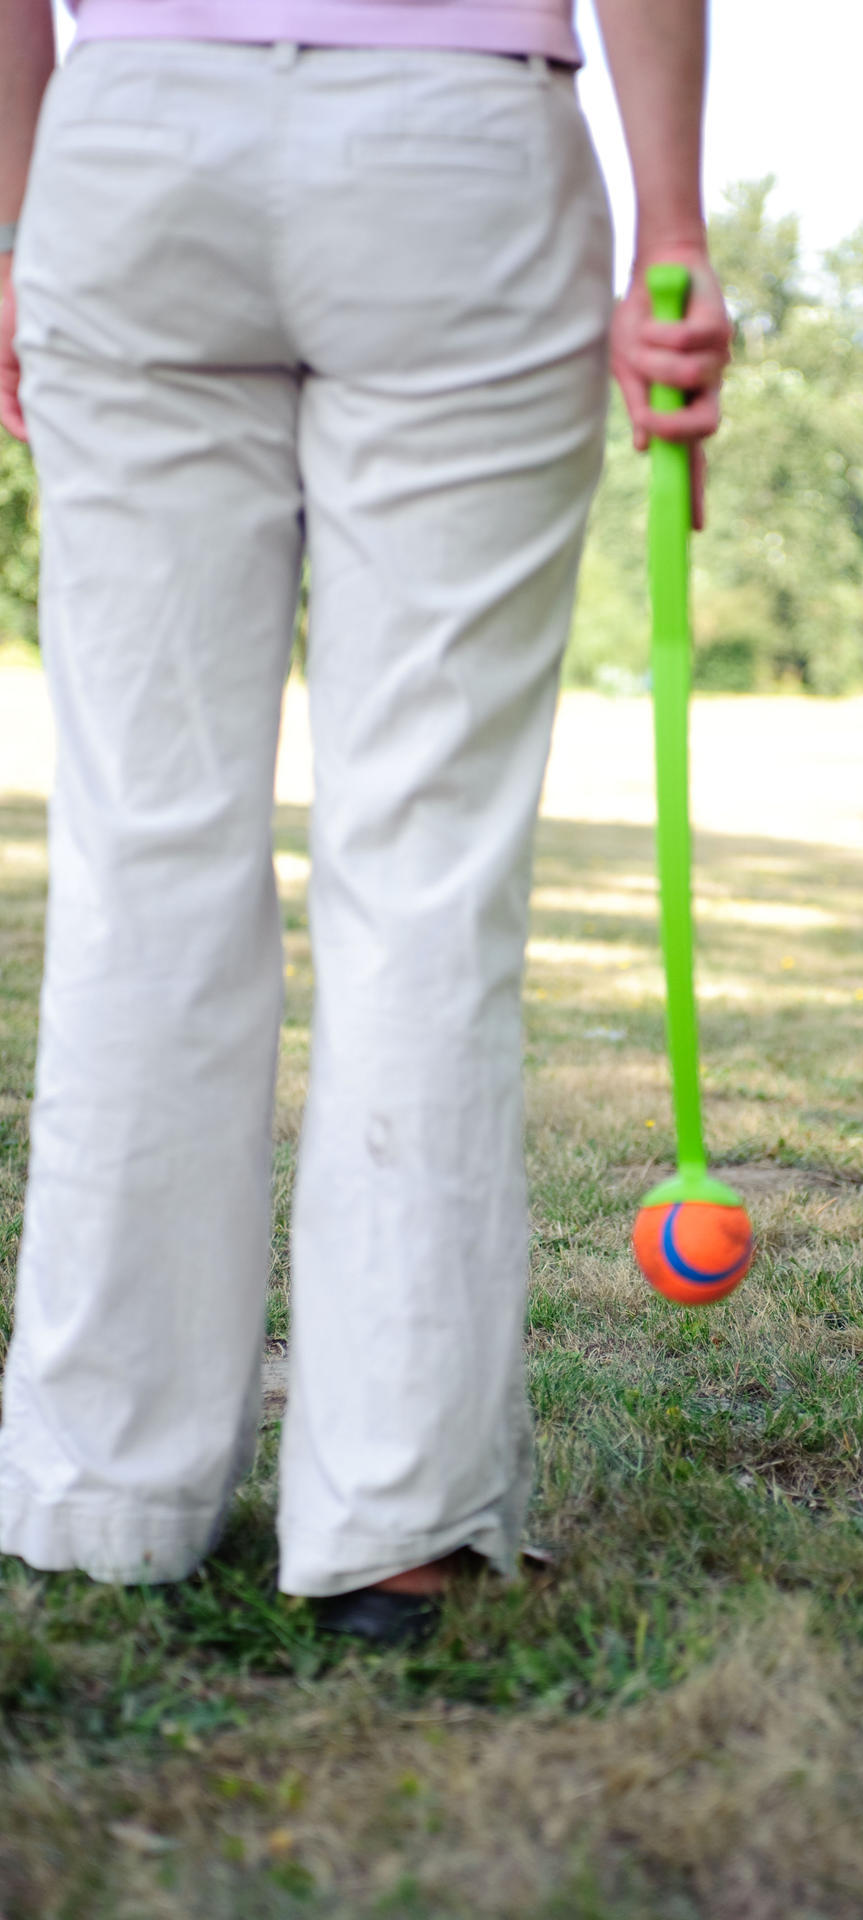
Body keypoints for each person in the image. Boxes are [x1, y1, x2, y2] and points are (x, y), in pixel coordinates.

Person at [0, 0, 731, 1644]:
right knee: (424, 868)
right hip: (452, 137)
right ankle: (399, 1510)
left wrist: (15, 219)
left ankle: (101, 1490)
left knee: (143, 848)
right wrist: (671, 231)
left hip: (129, 148)